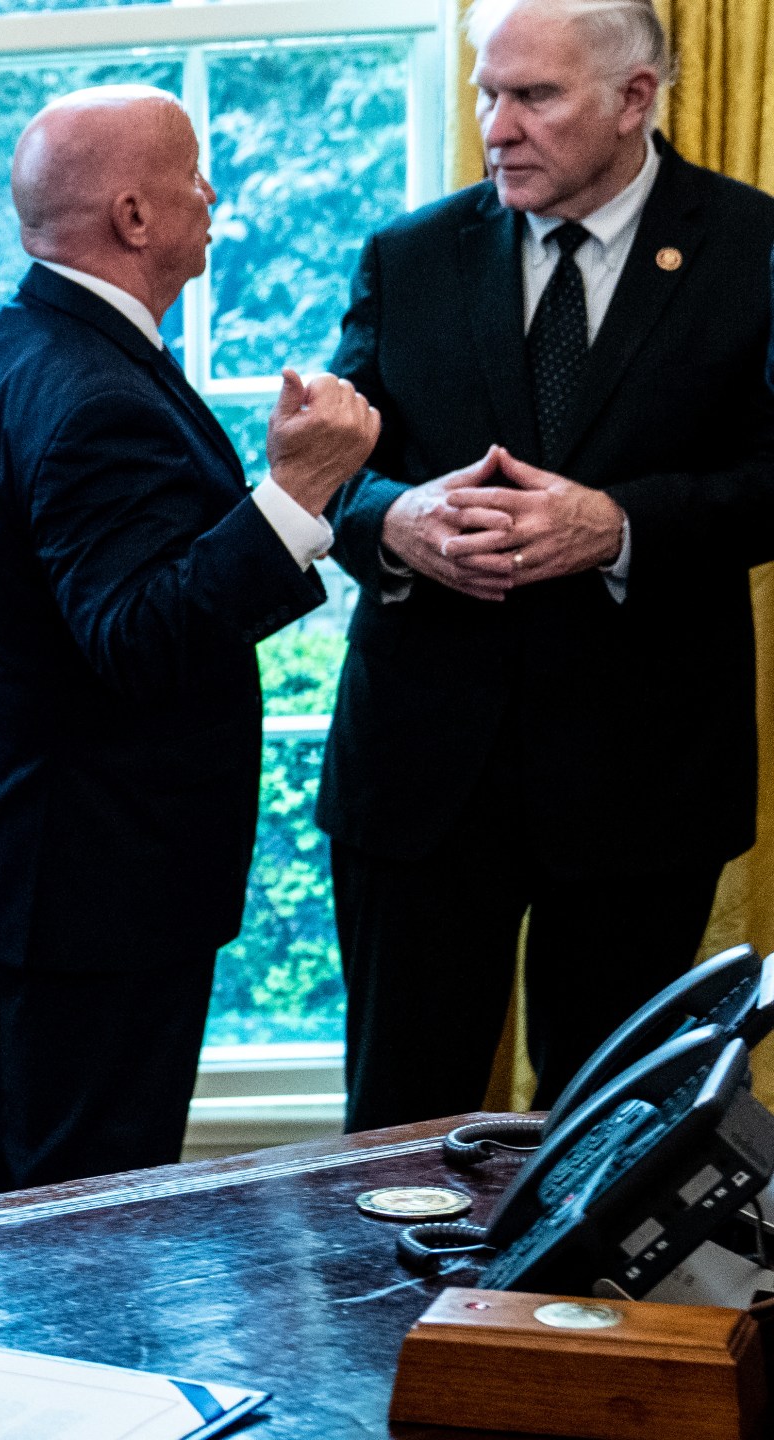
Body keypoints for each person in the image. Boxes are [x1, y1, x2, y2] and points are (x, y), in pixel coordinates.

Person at [0, 87, 380, 1200]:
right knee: (82, 1220)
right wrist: (297, 493)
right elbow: (138, 640)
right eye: (193, 176)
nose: (211, 196)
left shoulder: (1, 354)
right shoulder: (87, 393)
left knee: (9, 1196)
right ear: (131, 216)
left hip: (24, 865)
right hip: (89, 888)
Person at [324, 0, 774, 1130]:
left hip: (642, 781)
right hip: (420, 778)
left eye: (533, 96)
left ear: (634, 99)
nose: (496, 126)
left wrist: (618, 525)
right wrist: (397, 521)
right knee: (395, 1134)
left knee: (609, 1139)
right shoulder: (411, 254)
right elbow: (328, 474)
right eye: (487, 92)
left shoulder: (751, 247)